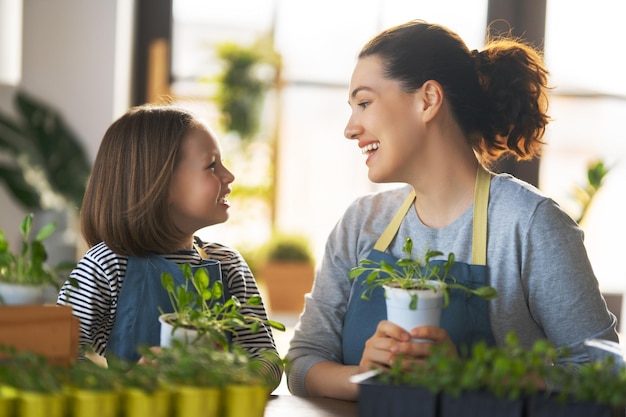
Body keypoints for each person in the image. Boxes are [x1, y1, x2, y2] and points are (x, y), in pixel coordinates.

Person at [285, 20, 619, 400]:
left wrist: (469, 377)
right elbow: (301, 362)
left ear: (427, 100)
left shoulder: (528, 225)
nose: (350, 128)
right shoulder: (361, 224)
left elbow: (607, 376)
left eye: (364, 103)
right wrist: (364, 377)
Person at [57, 104, 283, 391]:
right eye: (212, 165)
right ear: (159, 183)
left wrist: (233, 378)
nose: (229, 176)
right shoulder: (106, 264)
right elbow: (63, 358)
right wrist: (125, 383)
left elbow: (267, 358)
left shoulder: (228, 264)